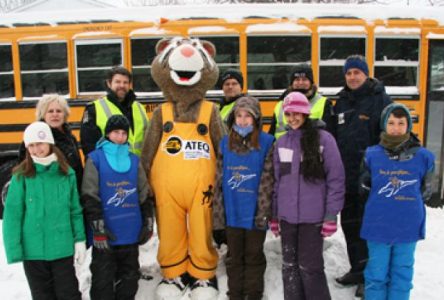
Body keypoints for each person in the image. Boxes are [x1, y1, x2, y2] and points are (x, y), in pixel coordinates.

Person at [272, 92, 345, 300]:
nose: (292, 118)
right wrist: (275, 216)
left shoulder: (324, 140)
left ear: (306, 113)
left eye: (297, 113)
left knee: (310, 267)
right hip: (287, 218)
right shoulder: (282, 143)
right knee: (289, 267)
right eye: (288, 114)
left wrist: (331, 215)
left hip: (313, 218)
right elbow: (277, 183)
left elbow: (336, 179)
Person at [359, 103, 435, 300]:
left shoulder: (425, 157)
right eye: (391, 122)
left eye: (401, 123)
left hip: (407, 226)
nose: (396, 127)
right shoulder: (371, 155)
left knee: (402, 274)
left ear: (408, 125)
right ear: (384, 125)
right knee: (376, 274)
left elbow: (426, 190)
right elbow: (364, 187)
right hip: (378, 226)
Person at [3, 121, 86, 300]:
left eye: (39, 143)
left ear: (49, 143)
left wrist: (79, 240)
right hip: (33, 252)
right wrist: (14, 249)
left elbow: (75, 210)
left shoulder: (67, 173)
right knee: (42, 296)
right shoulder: (21, 176)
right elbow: (12, 215)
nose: (36, 149)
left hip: (62, 249)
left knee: (69, 294)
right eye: (31, 145)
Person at [333, 55, 392, 296]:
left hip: (371, 179)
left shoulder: (380, 99)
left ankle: (371, 277)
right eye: (348, 73)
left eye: (357, 72)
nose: (352, 77)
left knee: (370, 229)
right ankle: (357, 270)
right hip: (346, 177)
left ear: (366, 74)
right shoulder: (341, 101)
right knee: (350, 226)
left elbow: (391, 132)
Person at [81, 115, 154, 300]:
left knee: (129, 279)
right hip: (105, 234)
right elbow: (90, 194)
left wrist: (148, 220)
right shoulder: (95, 159)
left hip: (130, 232)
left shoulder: (134, 160)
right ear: (107, 134)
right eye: (116, 132)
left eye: (123, 133)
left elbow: (143, 193)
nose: (120, 137)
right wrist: (97, 227)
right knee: (102, 281)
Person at [212, 96, 274, 300]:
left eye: (248, 115)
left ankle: (254, 294)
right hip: (232, 212)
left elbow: (267, 181)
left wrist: (262, 213)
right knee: (234, 257)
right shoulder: (224, 143)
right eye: (239, 115)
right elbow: (219, 181)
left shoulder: (267, 142)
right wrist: (219, 215)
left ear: (256, 119)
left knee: (254, 256)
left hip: (255, 213)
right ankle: (235, 294)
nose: (243, 120)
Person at [18, 94, 83, 191]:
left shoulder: (70, 137)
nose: (55, 114)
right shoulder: (34, 136)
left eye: (59, 111)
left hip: (72, 190)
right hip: (49, 192)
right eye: (50, 111)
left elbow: (78, 167)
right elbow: (25, 169)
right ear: (43, 114)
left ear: (65, 114)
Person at [80, 66, 149, 156]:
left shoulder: (140, 107)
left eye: (125, 82)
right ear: (109, 83)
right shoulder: (94, 108)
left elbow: (149, 138)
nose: (122, 85)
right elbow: (88, 145)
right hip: (110, 167)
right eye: (117, 82)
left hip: (137, 165)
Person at [268, 64, 334, 139]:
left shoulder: (324, 103)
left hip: (311, 149)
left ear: (311, 82)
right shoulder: (280, 105)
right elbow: (271, 135)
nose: (300, 83)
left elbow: (329, 135)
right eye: (297, 79)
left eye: (304, 79)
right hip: (283, 149)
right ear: (291, 83)